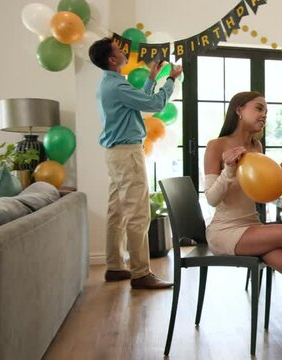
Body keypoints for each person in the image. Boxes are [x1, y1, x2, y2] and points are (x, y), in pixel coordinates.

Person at [203, 91, 282, 309]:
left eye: (266, 112)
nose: (264, 115)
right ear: (239, 110)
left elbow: (255, 188)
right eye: (259, 108)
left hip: (252, 227)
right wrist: (229, 170)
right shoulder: (216, 146)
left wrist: (279, 173)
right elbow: (211, 199)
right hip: (225, 231)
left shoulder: (256, 147)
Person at [89, 38, 182, 289]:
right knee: (138, 213)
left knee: (116, 212)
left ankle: (115, 266)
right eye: (119, 50)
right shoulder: (116, 85)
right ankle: (141, 273)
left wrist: (152, 77)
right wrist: (171, 79)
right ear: (111, 59)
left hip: (115, 154)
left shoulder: (110, 83)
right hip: (127, 154)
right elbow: (155, 104)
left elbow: (139, 100)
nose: (123, 51)